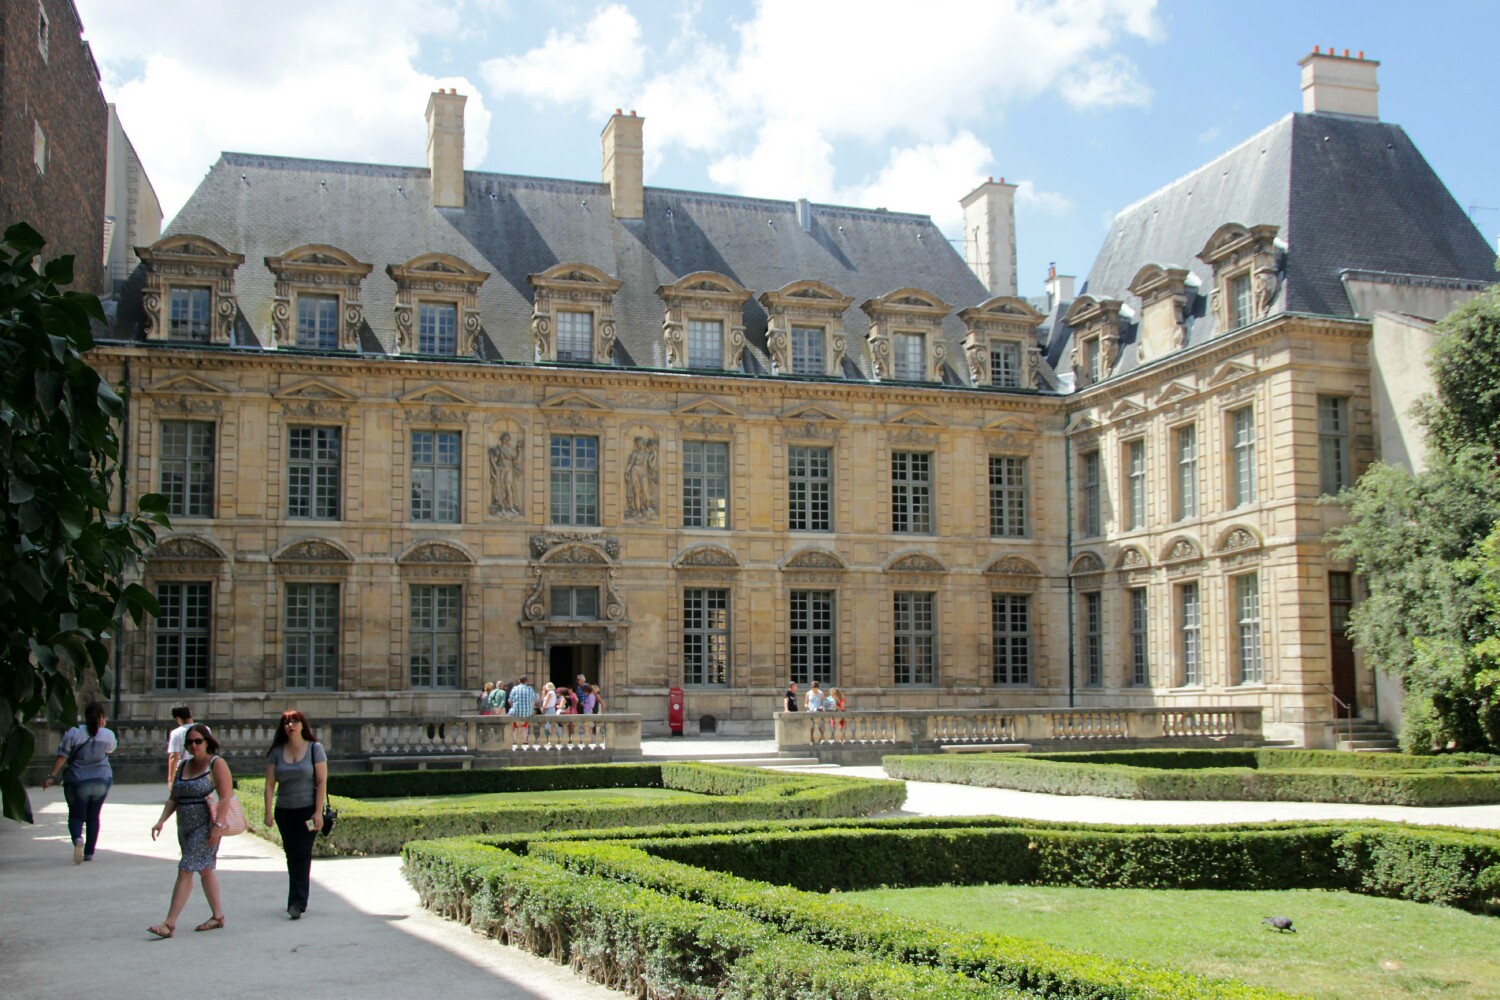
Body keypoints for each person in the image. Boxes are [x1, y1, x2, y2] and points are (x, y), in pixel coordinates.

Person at [149, 723, 232, 937]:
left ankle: (169, 924)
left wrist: (218, 826)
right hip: (185, 826)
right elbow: (174, 798)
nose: (193, 745)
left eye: (198, 741)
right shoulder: (183, 765)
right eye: (189, 742)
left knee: (185, 870)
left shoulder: (216, 763)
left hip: (206, 826)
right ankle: (218, 916)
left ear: (207, 742)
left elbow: (226, 797)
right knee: (205, 870)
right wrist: (161, 821)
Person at [263, 710, 328, 920]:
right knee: (291, 854)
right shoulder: (276, 752)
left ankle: (297, 903)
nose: (290, 725)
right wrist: (268, 811)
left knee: (302, 853)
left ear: (302, 725)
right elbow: (270, 784)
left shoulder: (315, 749)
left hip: (307, 809)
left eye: (295, 721)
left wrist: (318, 812)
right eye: (286, 722)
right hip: (284, 810)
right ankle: (295, 900)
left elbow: (321, 782)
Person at [41, 702, 117, 864]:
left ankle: (77, 838)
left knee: (76, 815)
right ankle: (89, 853)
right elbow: (110, 750)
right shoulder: (108, 735)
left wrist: (51, 776)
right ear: (102, 717)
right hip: (102, 779)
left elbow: (63, 756)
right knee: (93, 817)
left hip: (78, 779)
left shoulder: (74, 733)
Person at [165, 704, 195, 788]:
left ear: (178, 718)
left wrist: (170, 780)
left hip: (183, 772)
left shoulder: (176, 733)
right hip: (202, 771)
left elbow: (174, 756)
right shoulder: (205, 729)